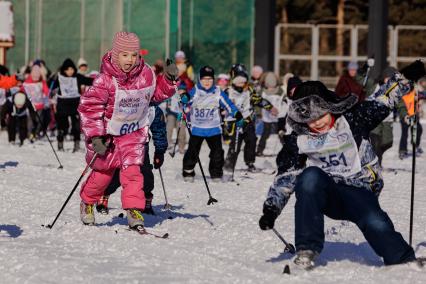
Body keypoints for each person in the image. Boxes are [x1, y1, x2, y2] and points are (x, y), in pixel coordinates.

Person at [259, 76, 417, 269]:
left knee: (374, 221)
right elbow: (286, 176)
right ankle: (307, 249)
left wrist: (405, 78)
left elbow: (381, 99)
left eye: (320, 115)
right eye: (309, 119)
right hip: (328, 196)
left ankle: (401, 258)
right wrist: (271, 209)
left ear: (330, 107)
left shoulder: (353, 120)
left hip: (360, 190)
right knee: (309, 176)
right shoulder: (298, 140)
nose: (316, 123)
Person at [77, 31, 178, 228]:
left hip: (133, 134)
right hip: (108, 137)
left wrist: (168, 80)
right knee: (102, 176)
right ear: (115, 55)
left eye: (134, 55)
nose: (130, 60)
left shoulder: (146, 74)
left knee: (133, 173)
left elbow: (154, 96)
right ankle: (87, 202)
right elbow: (89, 108)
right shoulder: (104, 80)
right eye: (124, 55)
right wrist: (96, 136)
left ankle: (134, 210)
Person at [96, 104, 168, 215]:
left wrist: (159, 151)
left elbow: (159, 130)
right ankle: (105, 194)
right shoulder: (126, 101)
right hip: (120, 143)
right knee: (116, 173)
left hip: (141, 146)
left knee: (145, 174)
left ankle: (146, 199)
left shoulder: (153, 109)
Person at [181, 65, 242, 182]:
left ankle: (216, 173)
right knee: (192, 151)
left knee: (217, 153)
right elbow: (186, 99)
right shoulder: (196, 91)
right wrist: (184, 100)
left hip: (214, 128)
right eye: (204, 79)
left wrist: (236, 114)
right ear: (200, 79)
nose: (207, 82)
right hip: (197, 128)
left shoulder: (217, 92)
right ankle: (188, 170)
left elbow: (228, 105)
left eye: (209, 79)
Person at [222, 64, 276, 178]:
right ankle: (229, 164)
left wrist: (270, 107)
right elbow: (219, 104)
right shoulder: (228, 92)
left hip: (248, 121)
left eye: (243, 81)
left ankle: (250, 162)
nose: (242, 84)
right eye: (239, 81)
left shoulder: (249, 91)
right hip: (234, 123)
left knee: (251, 141)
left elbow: (258, 100)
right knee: (235, 145)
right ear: (233, 81)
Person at [52, 58, 94, 152]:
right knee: (62, 125)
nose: (70, 71)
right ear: (64, 70)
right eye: (67, 69)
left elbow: (89, 81)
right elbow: (50, 86)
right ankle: (60, 143)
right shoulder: (59, 78)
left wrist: (101, 79)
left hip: (74, 103)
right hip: (62, 104)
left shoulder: (77, 77)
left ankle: (77, 144)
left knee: (76, 125)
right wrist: (52, 78)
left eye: (71, 69)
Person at [369, 67, 398, 166]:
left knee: (388, 142)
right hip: (375, 120)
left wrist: (407, 115)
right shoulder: (375, 88)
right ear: (384, 78)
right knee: (375, 142)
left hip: (387, 120)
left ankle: (376, 156)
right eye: (387, 78)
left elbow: (401, 104)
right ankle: (377, 165)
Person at [256, 72, 287, 156]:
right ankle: (259, 150)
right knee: (265, 133)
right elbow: (258, 102)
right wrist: (259, 112)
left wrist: (284, 112)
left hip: (278, 116)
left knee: (281, 133)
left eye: (273, 87)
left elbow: (284, 101)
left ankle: (287, 149)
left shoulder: (280, 91)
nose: (271, 89)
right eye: (269, 87)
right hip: (267, 117)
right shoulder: (262, 92)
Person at [398, 76, 424, 159]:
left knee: (418, 130)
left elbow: (422, 95)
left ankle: (415, 145)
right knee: (404, 133)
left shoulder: (415, 92)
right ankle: (402, 150)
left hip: (414, 115)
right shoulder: (403, 92)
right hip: (405, 116)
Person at [22, 65, 50, 140]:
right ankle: (29, 134)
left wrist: (47, 96)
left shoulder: (42, 82)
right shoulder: (27, 82)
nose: (36, 76)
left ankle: (36, 133)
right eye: (34, 74)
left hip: (40, 105)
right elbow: (22, 90)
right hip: (30, 105)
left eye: (38, 74)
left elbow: (46, 91)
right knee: (30, 120)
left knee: (39, 121)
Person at [166, 82, 187, 154]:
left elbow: (187, 107)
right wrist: (167, 107)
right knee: (169, 127)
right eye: (179, 90)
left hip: (181, 115)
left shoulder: (186, 97)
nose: (181, 91)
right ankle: (167, 144)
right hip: (172, 113)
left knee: (181, 132)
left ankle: (181, 147)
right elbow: (167, 100)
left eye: (182, 90)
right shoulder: (173, 94)